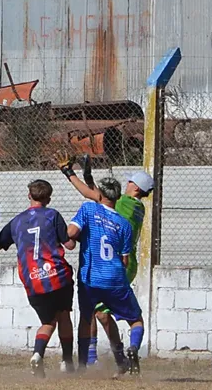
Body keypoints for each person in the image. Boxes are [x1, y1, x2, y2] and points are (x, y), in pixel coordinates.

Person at [60, 155, 152, 367]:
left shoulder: (125, 204)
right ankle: (121, 356)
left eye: (130, 182)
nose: (127, 184)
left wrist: (70, 173)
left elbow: (93, 197)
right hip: (122, 262)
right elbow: (102, 200)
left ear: (136, 188)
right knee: (101, 313)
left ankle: (93, 358)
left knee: (93, 311)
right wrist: (89, 178)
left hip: (113, 266)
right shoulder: (135, 207)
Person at [0, 179, 76, 377]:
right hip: (58, 276)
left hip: (33, 281)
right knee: (64, 315)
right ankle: (66, 362)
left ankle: (38, 354)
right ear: (49, 198)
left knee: (48, 321)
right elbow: (70, 245)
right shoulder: (52, 215)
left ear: (29, 196)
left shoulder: (17, 221)